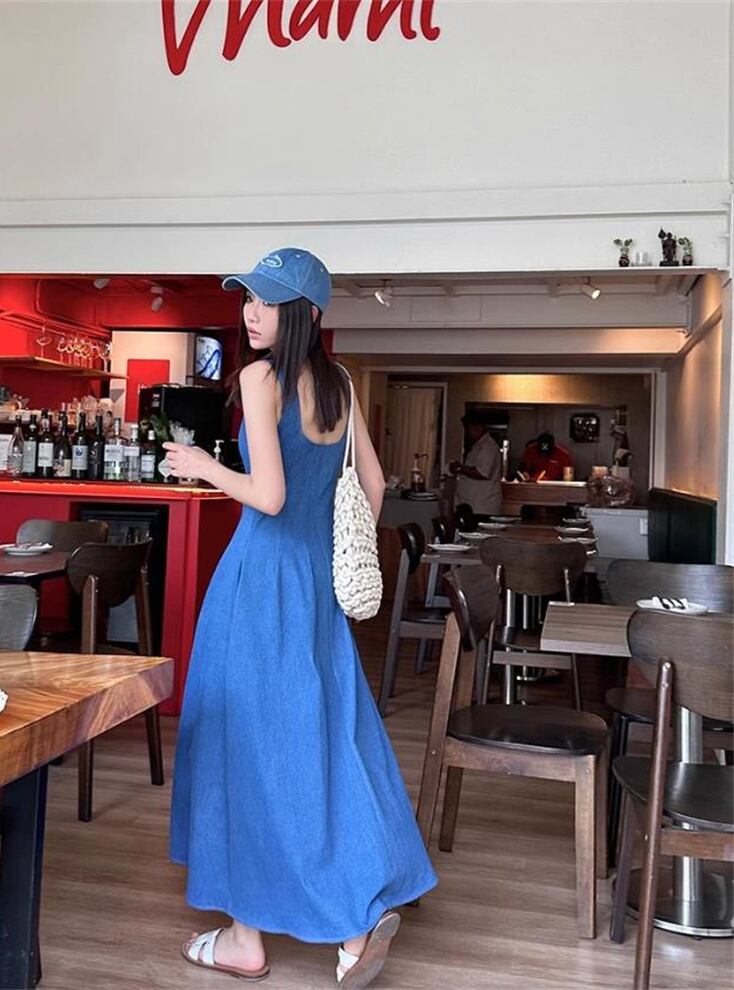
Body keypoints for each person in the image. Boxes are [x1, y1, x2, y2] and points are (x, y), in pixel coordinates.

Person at [166, 248, 437, 988]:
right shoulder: (340, 384)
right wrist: (335, 550)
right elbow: (373, 483)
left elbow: (270, 496)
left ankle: (253, 937)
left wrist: (203, 467)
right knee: (317, 741)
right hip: (315, 586)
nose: (252, 313)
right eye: (248, 298)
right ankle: (332, 922)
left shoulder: (261, 379)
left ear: (307, 315)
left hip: (258, 583)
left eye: (269, 302)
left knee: (241, 743)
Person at [448, 409, 503, 516]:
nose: (467, 432)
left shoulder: (488, 447)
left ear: (477, 427)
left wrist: (459, 468)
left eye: (467, 428)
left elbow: (482, 472)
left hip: (481, 506)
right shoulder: (478, 446)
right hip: (473, 504)